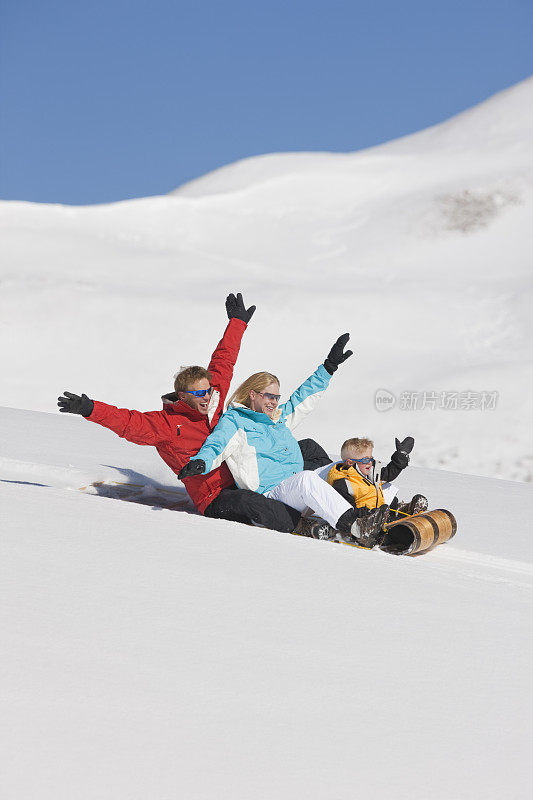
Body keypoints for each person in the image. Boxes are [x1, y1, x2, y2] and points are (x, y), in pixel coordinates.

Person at [57, 293, 304, 531]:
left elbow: (224, 360)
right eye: (199, 394)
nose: (207, 397)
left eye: (207, 391)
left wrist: (237, 323)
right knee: (248, 503)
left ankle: (335, 490)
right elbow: (128, 423)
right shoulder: (167, 424)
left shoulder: (213, 395)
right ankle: (303, 525)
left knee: (306, 448)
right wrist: (90, 409)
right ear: (183, 396)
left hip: (246, 474)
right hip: (215, 497)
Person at [179, 336, 388, 547]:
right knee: (307, 480)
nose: (274, 402)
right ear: (252, 394)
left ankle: (378, 508)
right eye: (269, 396)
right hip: (273, 493)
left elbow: (302, 399)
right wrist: (202, 462)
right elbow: (217, 445)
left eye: (277, 397)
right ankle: (357, 527)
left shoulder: (276, 418)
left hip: (296, 488)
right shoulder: (235, 421)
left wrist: (328, 367)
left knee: (340, 468)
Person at [326, 436, 428, 524]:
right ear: (350, 462)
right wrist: (372, 513)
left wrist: (401, 455)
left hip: (380, 513)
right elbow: (348, 511)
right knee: (385, 516)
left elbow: (389, 474)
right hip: (365, 521)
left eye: (371, 458)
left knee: (391, 498)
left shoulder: (368, 472)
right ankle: (399, 522)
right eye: (366, 460)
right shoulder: (343, 483)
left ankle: (401, 510)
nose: (370, 463)